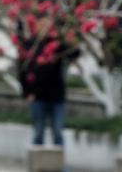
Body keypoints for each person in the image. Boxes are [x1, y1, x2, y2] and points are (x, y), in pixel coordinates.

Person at [19, 14, 80, 147]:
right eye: (42, 24)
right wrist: (26, 92)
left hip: (56, 96)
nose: (46, 28)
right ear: (36, 26)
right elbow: (22, 70)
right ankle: (38, 164)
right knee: (38, 132)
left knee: (58, 132)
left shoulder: (57, 44)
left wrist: (71, 40)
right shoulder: (30, 44)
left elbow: (73, 54)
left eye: (48, 25)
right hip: (37, 96)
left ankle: (58, 164)